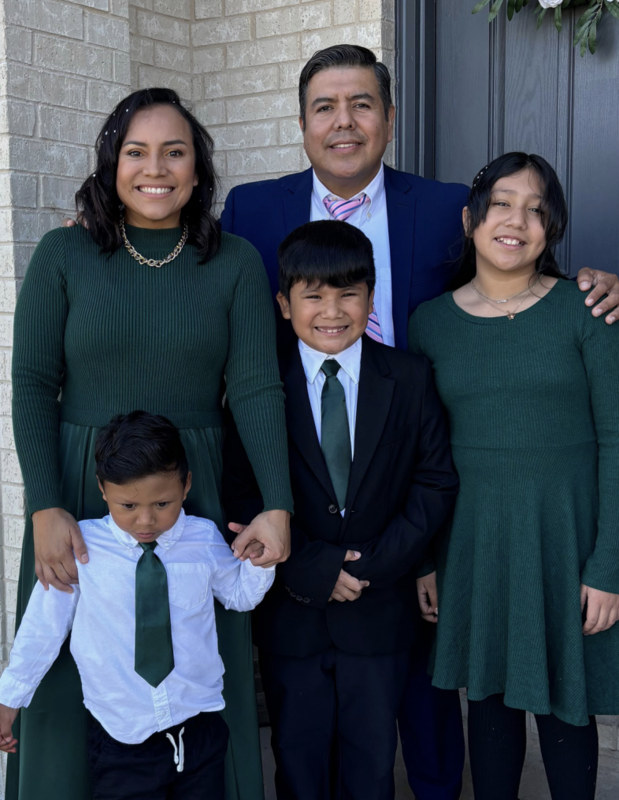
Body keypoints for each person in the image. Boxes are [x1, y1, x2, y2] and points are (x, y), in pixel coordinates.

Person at [219, 44, 619, 800]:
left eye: (362, 104)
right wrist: (106, 219)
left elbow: (523, 270)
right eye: (325, 107)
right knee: (321, 725)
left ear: (391, 118)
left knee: (431, 706)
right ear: (302, 122)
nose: (344, 122)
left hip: (421, 490)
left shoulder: (442, 206)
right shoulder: (251, 208)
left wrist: (602, 282)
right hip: (314, 489)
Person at [8, 87, 292, 800]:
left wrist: (279, 504)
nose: (155, 168)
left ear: (198, 168)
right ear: (111, 165)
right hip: (81, 484)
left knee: (196, 660)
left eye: (174, 151)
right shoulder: (64, 253)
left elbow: (257, 388)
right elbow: (34, 383)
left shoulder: (233, 261)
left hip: (191, 487)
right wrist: (44, 504)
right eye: (136, 152)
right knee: (74, 661)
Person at [223, 220, 459, 800]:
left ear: (372, 298)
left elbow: (434, 483)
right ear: (283, 304)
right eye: (313, 295)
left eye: (349, 293)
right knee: (299, 767)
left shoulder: (408, 377)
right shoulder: (259, 387)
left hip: (380, 613)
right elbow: (240, 492)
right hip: (293, 616)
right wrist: (313, 566)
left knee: (371, 767)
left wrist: (371, 566)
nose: (332, 310)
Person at [408, 152, 619, 800]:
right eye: (502, 203)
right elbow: (421, 456)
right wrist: (424, 561)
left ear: (549, 229)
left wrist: (607, 567)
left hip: (565, 543)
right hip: (473, 546)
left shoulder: (586, 311)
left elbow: (615, 439)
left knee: (565, 704)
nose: (516, 220)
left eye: (535, 209)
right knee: (489, 700)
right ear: (471, 218)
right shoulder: (430, 323)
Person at [0, 411, 275, 800]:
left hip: (198, 732)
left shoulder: (202, 537)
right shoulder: (81, 548)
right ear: (102, 489)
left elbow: (239, 596)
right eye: (128, 506)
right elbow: (43, 628)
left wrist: (261, 561)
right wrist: (8, 698)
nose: (146, 520)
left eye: (162, 503)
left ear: (186, 485)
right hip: (121, 741)